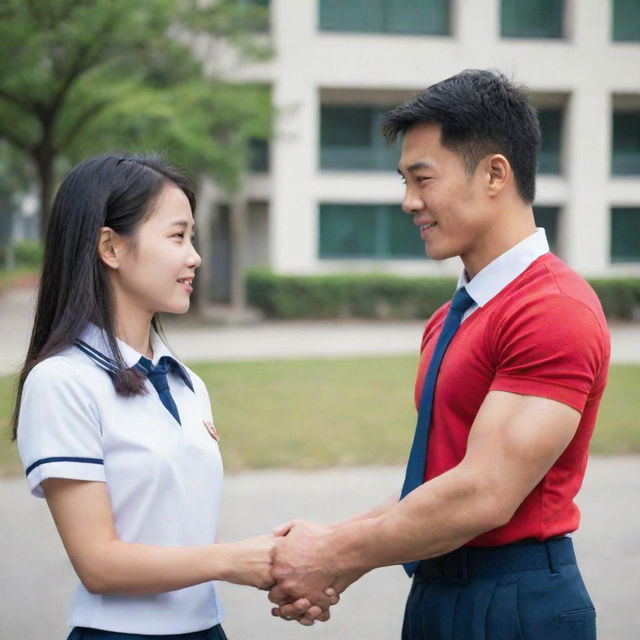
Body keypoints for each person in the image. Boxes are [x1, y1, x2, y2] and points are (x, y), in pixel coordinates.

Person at [268, 69, 610, 639]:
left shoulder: (551, 308)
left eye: (422, 179)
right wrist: (332, 544)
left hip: (515, 601)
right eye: (405, 181)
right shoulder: (457, 315)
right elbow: (438, 482)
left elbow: (483, 493)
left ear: (495, 173)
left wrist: (335, 554)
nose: (408, 202)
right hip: (439, 590)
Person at [12, 153, 330, 639]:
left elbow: (177, 535)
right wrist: (231, 560)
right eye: (177, 236)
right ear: (110, 247)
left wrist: (276, 569)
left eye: (193, 238)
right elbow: (98, 563)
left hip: (206, 629)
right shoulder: (62, 381)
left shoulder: (186, 383)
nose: (195, 256)